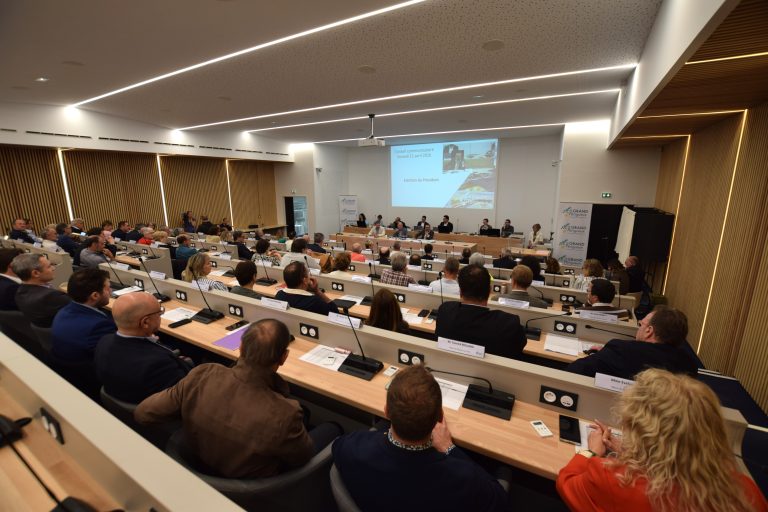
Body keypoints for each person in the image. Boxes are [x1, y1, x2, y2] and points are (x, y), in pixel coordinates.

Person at [136, 319, 341, 478]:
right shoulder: (286, 413)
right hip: (261, 489)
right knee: (334, 428)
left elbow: (143, 413)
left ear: (240, 347)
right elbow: (302, 458)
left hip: (197, 465)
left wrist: (193, 410)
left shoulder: (202, 374)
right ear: (284, 357)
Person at [557, 368, 767, 512]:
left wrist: (592, 452)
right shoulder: (747, 491)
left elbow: (567, 483)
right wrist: (634, 453)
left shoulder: (616, 480)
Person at [333, 365, 509, 512]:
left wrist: (382, 436)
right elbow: (499, 500)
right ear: (439, 418)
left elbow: (337, 446)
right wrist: (449, 448)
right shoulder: (464, 480)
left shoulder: (353, 449)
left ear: (386, 412)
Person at [96, 292, 191, 403]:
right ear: (145, 322)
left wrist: (149, 339)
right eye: (159, 313)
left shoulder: (103, 342)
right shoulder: (158, 363)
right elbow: (188, 394)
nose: (160, 315)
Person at [566, 305, 699, 379]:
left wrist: (603, 355)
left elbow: (573, 371)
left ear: (649, 331)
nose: (639, 327)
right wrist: (607, 355)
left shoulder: (622, 350)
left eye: (641, 324)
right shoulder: (690, 366)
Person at [436, 265, 527, 360]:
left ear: (460, 291)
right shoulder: (509, 324)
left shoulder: (445, 310)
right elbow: (519, 348)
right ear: (489, 291)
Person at [51, 268, 116, 363]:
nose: (111, 291)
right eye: (108, 288)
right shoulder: (100, 326)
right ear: (95, 296)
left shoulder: (63, 311)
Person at [13, 253, 72, 327]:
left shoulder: (19, 293)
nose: (53, 268)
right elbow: (83, 306)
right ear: (36, 273)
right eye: (49, 266)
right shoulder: (50, 296)